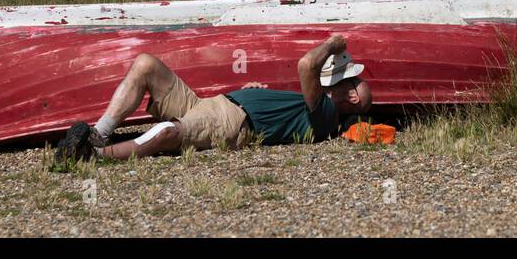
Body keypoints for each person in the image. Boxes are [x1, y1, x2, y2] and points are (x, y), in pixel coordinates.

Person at [52, 34, 371, 164]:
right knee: (146, 64)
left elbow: (307, 65)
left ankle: (94, 156)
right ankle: (99, 132)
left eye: (349, 80)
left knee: (168, 133)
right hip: (215, 103)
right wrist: (254, 93)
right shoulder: (315, 107)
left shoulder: (327, 114)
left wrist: (332, 44)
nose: (341, 79)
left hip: (231, 121)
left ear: (353, 97)